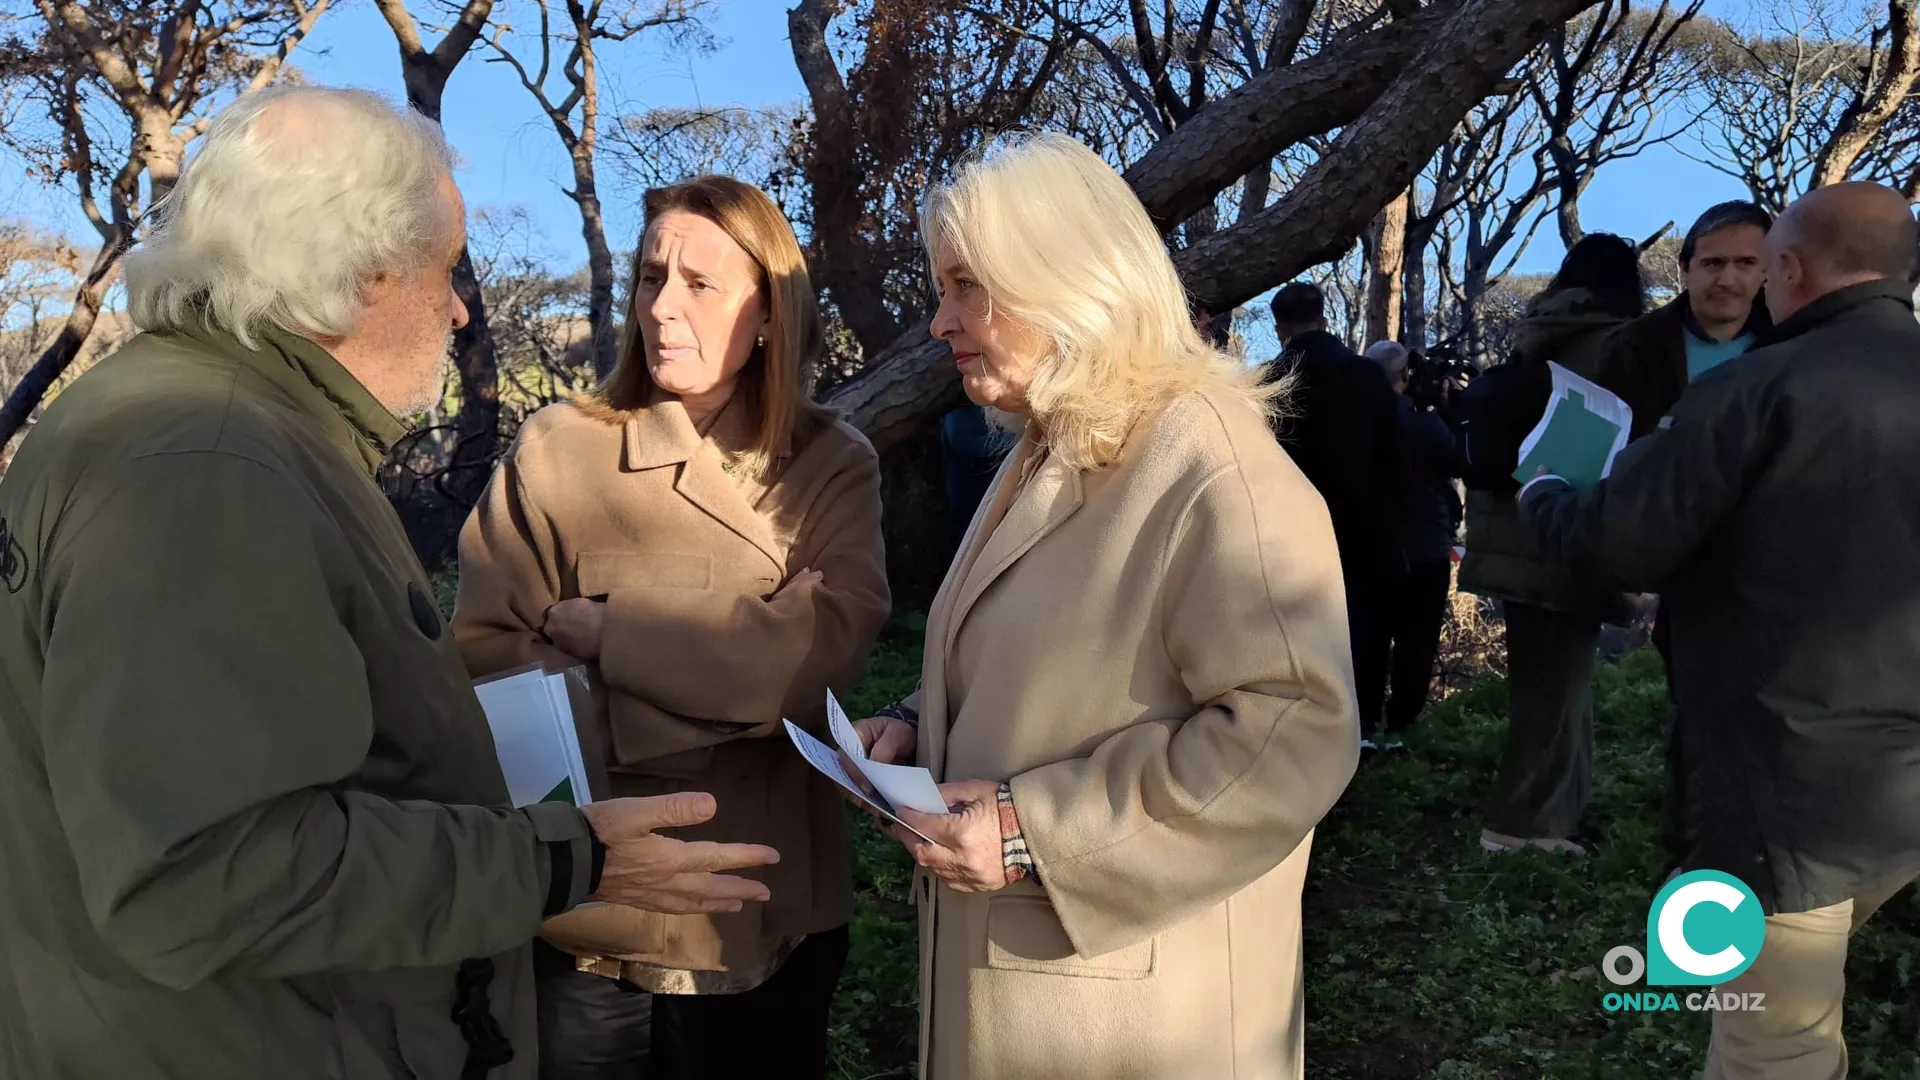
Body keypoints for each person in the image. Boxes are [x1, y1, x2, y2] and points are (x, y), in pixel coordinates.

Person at [0, 86, 780, 1080]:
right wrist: (557, 856)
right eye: (445, 268)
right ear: (363, 269)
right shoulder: (208, 466)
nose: (459, 308)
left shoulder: (201, 422)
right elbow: (204, 874)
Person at [852, 133, 1359, 1080]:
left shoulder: (1210, 467)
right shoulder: (1051, 448)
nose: (939, 323)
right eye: (941, 288)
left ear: (1064, 281)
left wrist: (1033, 828)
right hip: (1043, 998)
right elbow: (1045, 659)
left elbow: (1297, 730)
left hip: (1141, 1027)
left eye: (968, 287)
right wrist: (919, 726)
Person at [453, 175, 891, 1080]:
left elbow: (814, 667)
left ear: (769, 310)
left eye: (700, 284)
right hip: (593, 914)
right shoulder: (560, 449)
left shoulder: (831, 465)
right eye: (654, 278)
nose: (662, 309)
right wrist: (743, 657)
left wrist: (610, 638)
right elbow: (490, 666)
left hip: (771, 907)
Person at [1518, 182, 1920, 1080]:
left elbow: (1621, 541)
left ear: (1789, 268)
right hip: (1898, 786)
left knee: (1773, 1048)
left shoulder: (1757, 388)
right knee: (1805, 1011)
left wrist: (1546, 489)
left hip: (1792, 778)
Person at [1458, 233, 1645, 856]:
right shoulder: (1612, 346)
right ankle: (1515, 829)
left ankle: (1553, 820)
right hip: (1565, 535)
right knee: (1554, 694)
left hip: (1512, 531)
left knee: (1547, 687)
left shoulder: (1538, 333)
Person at [1264, 281, 1410, 748]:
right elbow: (1395, 454)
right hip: (1368, 522)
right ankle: (1360, 725)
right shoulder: (1367, 375)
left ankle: (1301, 726)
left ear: (1280, 325)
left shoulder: (1272, 378)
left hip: (1295, 524)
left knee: (1300, 627)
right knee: (1364, 624)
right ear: (1323, 316)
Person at [1598, 200, 1773, 441]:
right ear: (1684, 269)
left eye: (1745, 263)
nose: (1727, 280)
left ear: (1765, 270)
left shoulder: (1793, 341)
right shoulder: (1629, 347)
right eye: (1713, 263)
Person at [1367, 340, 1461, 741]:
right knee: (1417, 641)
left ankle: (1364, 725)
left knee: (1369, 639)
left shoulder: (1354, 423)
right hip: (1425, 548)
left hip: (1370, 549)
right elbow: (1456, 461)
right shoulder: (1425, 424)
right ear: (1405, 376)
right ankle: (1403, 724)